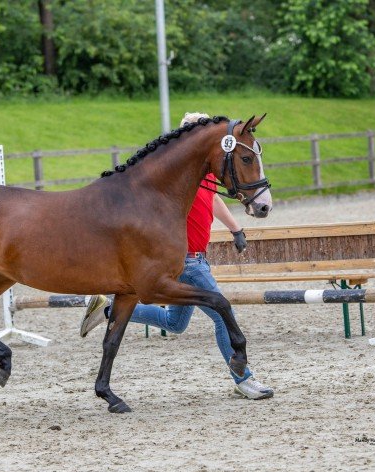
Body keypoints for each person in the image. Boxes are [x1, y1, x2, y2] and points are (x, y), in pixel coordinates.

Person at [79, 112, 274, 400]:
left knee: (175, 323)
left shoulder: (204, 175)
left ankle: (107, 309)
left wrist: (235, 228)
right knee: (223, 314)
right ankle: (243, 378)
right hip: (187, 259)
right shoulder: (179, 177)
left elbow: (214, 198)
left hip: (197, 257)